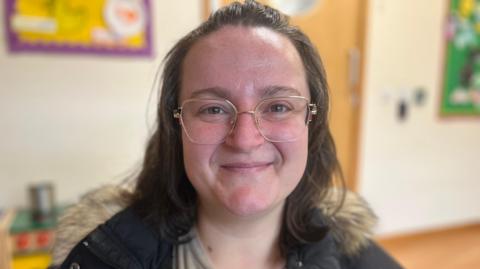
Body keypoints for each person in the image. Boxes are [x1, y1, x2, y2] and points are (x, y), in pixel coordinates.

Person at [51, 1, 402, 268]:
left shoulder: (358, 259)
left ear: (311, 124)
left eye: (278, 106)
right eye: (213, 109)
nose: (245, 140)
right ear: (177, 128)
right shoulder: (101, 256)